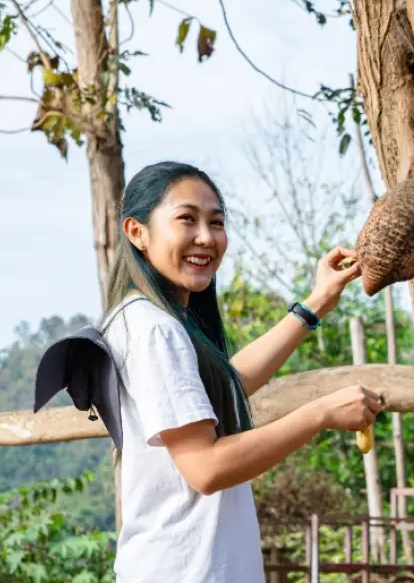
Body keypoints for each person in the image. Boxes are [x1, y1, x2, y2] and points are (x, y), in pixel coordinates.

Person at [100, 161, 382, 583]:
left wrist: (316, 303)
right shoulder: (154, 329)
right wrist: (319, 413)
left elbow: (225, 384)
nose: (206, 237)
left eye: (216, 222)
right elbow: (206, 469)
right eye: (186, 219)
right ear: (136, 232)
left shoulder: (152, 319)